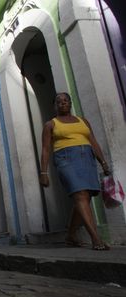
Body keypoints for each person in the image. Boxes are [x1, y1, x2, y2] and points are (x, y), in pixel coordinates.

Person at [40, 92, 111, 250]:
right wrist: (43, 172)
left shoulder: (83, 121)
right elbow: (45, 149)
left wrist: (103, 162)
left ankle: (71, 236)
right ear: (55, 105)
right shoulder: (50, 124)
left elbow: (93, 142)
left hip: (87, 158)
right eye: (59, 101)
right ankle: (96, 239)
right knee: (80, 195)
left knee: (85, 197)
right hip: (65, 159)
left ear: (70, 103)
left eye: (66, 101)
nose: (63, 103)